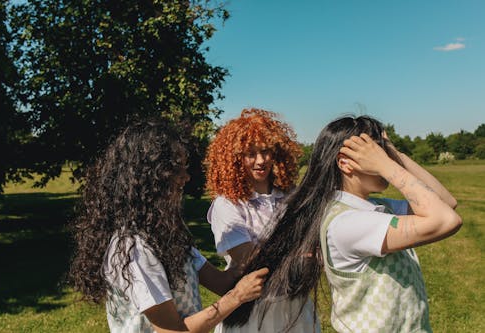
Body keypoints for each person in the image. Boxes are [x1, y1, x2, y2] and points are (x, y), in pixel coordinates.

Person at [225, 115, 462, 332]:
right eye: (377, 154)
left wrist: (393, 153)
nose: (386, 161)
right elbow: (446, 221)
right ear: (346, 163)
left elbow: (446, 203)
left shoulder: (376, 207)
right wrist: (388, 167)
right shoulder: (347, 223)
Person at [69, 120, 269, 333]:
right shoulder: (133, 248)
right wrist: (236, 297)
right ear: (147, 178)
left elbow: (221, 281)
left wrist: (269, 255)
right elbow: (173, 331)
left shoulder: (167, 235)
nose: (186, 177)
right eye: (176, 169)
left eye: (184, 167)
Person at [204, 108, 320, 332]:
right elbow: (249, 260)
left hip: (296, 307)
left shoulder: (291, 196)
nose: (261, 161)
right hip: (252, 311)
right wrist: (301, 254)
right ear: (235, 158)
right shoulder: (227, 204)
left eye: (266, 151)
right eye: (251, 153)